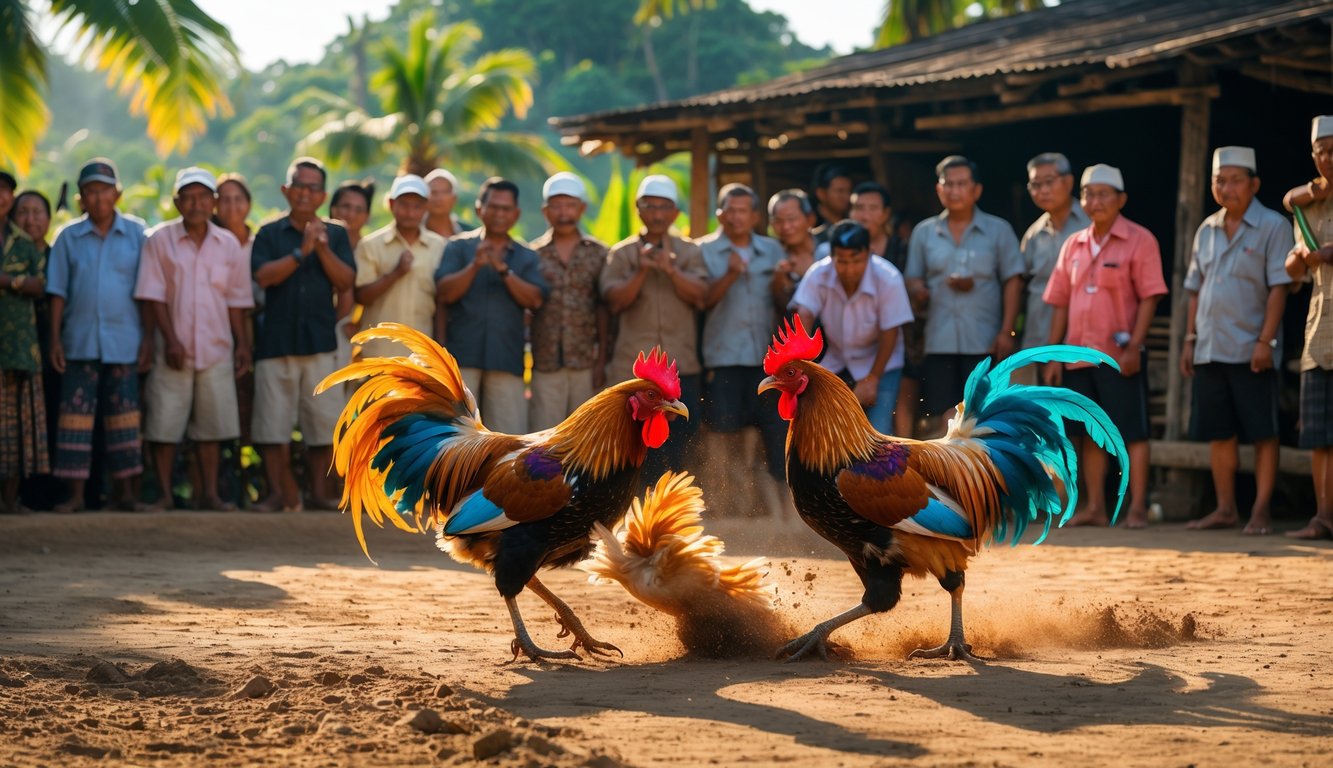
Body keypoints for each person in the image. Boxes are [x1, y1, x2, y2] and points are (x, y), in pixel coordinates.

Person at [1042, 164, 1167, 529]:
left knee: (1133, 432)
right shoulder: (1073, 244)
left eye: (1102, 194)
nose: (1094, 201)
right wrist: (1053, 353)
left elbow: (1150, 298)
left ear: (1121, 200)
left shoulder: (1140, 240)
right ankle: (1096, 506)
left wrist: (1135, 347)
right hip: (1077, 357)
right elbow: (1060, 302)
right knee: (1088, 433)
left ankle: (1138, 506)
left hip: (1118, 358)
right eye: (1088, 194)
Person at [1178, 147, 1293, 535]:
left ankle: (1261, 510)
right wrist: (1190, 339)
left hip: (1252, 348)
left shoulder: (1274, 226)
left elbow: (1280, 287)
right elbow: (1194, 290)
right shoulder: (1206, 228)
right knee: (1219, 432)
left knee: (1263, 432)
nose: (1226, 188)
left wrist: (1266, 341)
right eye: (1219, 181)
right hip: (1210, 346)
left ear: (1254, 184)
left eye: (1235, 180)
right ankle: (1226, 508)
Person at [136, 167, 253, 511]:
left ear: (213, 202)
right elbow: (153, 295)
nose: (196, 203)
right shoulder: (159, 240)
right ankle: (164, 495)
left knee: (212, 428)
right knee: (163, 425)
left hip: (216, 348)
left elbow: (236, 302)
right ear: (176, 202)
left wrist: (243, 344)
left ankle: (210, 495)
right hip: (172, 349)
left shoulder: (227, 244)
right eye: (188, 196)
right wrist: (169, 340)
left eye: (203, 196)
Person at [250, 157, 356, 512]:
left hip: (320, 344)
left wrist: (322, 247)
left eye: (313, 187)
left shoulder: (337, 234)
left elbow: (345, 281)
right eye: (299, 185)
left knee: (323, 425)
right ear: (286, 190)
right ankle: (280, 495)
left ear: (323, 194)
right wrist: (302, 252)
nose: (305, 193)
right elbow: (264, 277)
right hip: (275, 344)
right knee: (272, 426)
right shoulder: (268, 233)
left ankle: (320, 494)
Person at [46, 158, 151, 511]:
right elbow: (57, 291)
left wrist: (149, 338)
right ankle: (75, 497)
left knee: (125, 420)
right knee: (74, 422)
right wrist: (56, 340)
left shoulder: (138, 234)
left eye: (104, 190)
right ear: (80, 199)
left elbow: (148, 291)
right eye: (90, 191)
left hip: (126, 342)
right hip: (79, 341)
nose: (98, 198)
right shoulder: (67, 238)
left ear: (117, 194)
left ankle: (126, 496)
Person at [905, 155, 1024, 435]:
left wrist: (1007, 330)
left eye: (962, 184)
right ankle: (946, 478)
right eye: (949, 184)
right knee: (942, 416)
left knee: (984, 417)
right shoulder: (924, 232)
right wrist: (919, 291)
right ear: (939, 189)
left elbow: (1013, 281)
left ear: (976, 190)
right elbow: (911, 278)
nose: (955, 191)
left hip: (984, 341)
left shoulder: (999, 230)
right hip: (938, 341)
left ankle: (985, 477)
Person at [600, 174, 707, 479]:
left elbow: (701, 296)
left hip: (681, 364)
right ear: (639, 209)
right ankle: (633, 506)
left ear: (675, 213)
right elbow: (613, 302)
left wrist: (671, 270)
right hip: (633, 370)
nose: (658, 214)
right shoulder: (621, 254)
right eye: (651, 207)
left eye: (665, 208)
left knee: (681, 444)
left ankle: (677, 504)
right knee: (631, 442)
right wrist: (641, 271)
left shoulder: (689, 252)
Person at [698, 183, 789, 511]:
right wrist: (730, 275)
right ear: (719, 215)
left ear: (754, 216)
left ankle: (770, 507)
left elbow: (783, 304)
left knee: (772, 430)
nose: (736, 217)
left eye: (743, 211)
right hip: (723, 358)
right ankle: (722, 503)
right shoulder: (703, 251)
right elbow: (701, 301)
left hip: (767, 362)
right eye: (729, 210)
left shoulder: (774, 251)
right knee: (723, 432)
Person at [435, 177, 548, 435]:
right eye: (493, 207)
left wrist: (503, 270)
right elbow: (444, 293)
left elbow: (535, 300)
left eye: (506, 209)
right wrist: (475, 265)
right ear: (479, 210)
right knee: (457, 440)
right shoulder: (458, 247)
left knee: (507, 440)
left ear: (516, 214)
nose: (499, 214)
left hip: (505, 359)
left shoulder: (526, 255)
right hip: (460, 360)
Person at [790, 220, 914, 434]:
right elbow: (805, 313)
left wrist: (873, 379)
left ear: (869, 253)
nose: (849, 269)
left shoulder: (888, 277)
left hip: (881, 363)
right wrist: (802, 363)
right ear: (831, 256)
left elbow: (890, 332)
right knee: (824, 432)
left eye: (856, 261)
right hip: (837, 360)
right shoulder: (819, 273)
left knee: (879, 434)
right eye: (842, 261)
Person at [1282, 115, 1333, 540]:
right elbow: (1294, 270)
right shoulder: (1308, 205)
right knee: (1319, 434)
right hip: (1320, 331)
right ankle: (1323, 516)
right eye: (1323, 151)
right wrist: (1299, 260)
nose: (1329, 158)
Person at [528, 172, 608, 430]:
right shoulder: (532, 254)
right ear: (545, 211)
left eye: (570, 205)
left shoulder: (598, 253)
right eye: (556, 205)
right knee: (543, 439)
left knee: (585, 439)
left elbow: (603, 308)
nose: (564, 213)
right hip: (545, 362)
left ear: (582, 208)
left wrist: (601, 360)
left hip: (585, 362)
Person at [0, 173, 50, 512]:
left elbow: (41, 285)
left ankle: (10, 500)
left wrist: (5, 280)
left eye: (3, 191)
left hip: (19, 348)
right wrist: (19, 283)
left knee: (17, 428)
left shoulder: (24, 242)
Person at [354, 174, 445, 360]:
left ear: (426, 207)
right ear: (391, 203)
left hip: (422, 353)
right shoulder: (370, 245)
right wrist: (396, 273)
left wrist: (440, 349)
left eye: (417, 206)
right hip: (378, 351)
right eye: (404, 204)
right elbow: (362, 296)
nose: (410, 212)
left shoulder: (441, 247)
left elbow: (443, 301)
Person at [11, 190, 61, 510]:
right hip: (16, 354)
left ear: (49, 218)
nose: (31, 219)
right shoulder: (10, 254)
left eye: (38, 212)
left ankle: (46, 496)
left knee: (51, 421)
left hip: (53, 352)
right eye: (24, 212)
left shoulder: (58, 256)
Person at [1020, 153, 1089, 364]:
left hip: (1083, 344)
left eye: (1049, 182)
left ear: (1069, 182)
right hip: (1038, 339)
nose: (1042, 191)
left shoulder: (1092, 225)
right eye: (1035, 184)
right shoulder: (1033, 235)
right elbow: (1020, 287)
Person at [329, 180, 373, 364]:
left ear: (367, 216)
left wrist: (357, 323)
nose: (351, 215)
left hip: (358, 334)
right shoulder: (317, 243)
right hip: (320, 328)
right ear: (333, 209)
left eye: (358, 210)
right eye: (345, 207)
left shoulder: (371, 250)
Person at [767, 189, 818, 318]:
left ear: (810, 219)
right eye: (778, 221)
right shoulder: (773, 256)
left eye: (792, 219)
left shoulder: (828, 251)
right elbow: (784, 311)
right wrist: (779, 282)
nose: (786, 227)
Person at [809, 162, 853, 239]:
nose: (847, 196)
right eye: (840, 191)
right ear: (821, 193)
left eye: (849, 191)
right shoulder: (809, 224)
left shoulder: (852, 223)